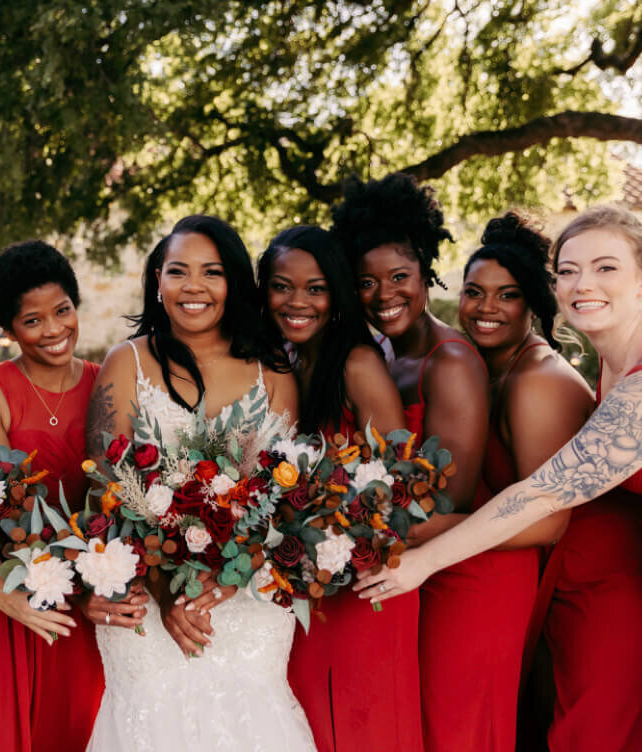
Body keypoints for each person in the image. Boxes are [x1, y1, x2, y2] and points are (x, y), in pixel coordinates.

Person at [357, 204, 642, 752]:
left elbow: (544, 493)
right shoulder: (618, 348)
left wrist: (421, 558)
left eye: (606, 268)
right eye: (569, 271)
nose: (584, 284)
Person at [83, 214, 312, 750]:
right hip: (146, 594)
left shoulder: (273, 371)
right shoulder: (126, 363)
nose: (194, 287)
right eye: (178, 271)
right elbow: (103, 489)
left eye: (212, 272)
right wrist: (161, 590)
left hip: (248, 599)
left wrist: (239, 572)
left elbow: (286, 497)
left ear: (233, 283)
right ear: (157, 281)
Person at [332, 173, 537, 751]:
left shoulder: (450, 363)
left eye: (399, 277)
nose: (383, 294)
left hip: (467, 571)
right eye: (366, 281)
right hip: (415, 566)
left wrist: (334, 528)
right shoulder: (388, 356)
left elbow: (449, 499)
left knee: (455, 732)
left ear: (426, 273)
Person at [457, 211, 642, 752]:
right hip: (558, 586)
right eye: (474, 292)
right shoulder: (491, 370)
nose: (487, 308)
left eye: (506, 295)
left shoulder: (538, 382)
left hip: (605, 588)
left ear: (533, 302)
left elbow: (548, 519)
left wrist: (425, 535)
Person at [258, 225, 421, 752]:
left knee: (363, 724)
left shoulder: (356, 363)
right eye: (283, 286)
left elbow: (398, 489)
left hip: (368, 582)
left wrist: (336, 532)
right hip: (304, 586)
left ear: (337, 295)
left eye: (316, 288)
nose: (298, 301)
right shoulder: (282, 359)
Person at [0, 240, 111, 751]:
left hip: (94, 606)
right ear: (8, 328)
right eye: (32, 320)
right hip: (11, 600)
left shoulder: (106, 383)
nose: (54, 330)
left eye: (62, 311)